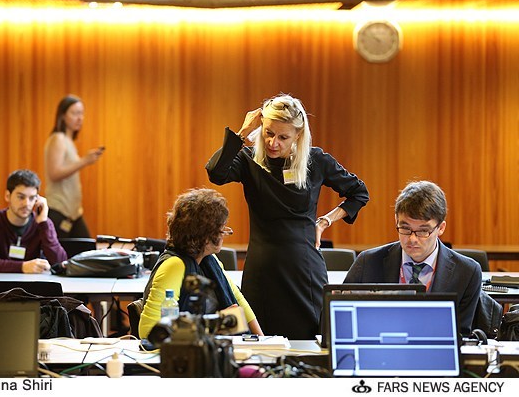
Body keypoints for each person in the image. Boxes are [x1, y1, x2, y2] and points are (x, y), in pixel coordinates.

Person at [206, 94, 369, 339]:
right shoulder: (249, 160)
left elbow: (359, 193)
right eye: (268, 133)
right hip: (262, 268)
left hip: (303, 268)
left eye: (283, 137)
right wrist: (242, 133)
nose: (273, 143)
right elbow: (216, 173)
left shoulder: (316, 160)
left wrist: (325, 221)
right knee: (258, 343)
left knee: (309, 341)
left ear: (298, 136)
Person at [344, 180, 481, 335]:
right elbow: (344, 321)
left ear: (441, 228)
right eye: (405, 228)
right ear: (396, 220)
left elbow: (461, 334)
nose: (412, 239)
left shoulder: (467, 272)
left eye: (423, 231)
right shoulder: (367, 262)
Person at [138, 188, 263, 340]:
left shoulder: (210, 260)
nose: (224, 234)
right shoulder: (174, 265)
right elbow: (149, 331)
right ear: (205, 235)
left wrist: (262, 339)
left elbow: (239, 300)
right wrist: (218, 327)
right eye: (221, 229)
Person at [0, 169, 67, 273]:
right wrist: (22, 267)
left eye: (32, 198)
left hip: (33, 282)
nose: (26, 204)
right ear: (7, 196)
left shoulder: (43, 224)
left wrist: (44, 224)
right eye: (21, 197)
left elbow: (61, 263)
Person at [44, 94, 104, 238]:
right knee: (82, 248)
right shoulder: (58, 139)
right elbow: (54, 173)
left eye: (81, 113)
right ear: (63, 116)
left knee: (86, 248)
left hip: (73, 213)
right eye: (75, 113)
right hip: (58, 210)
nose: (80, 118)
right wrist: (84, 161)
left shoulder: (68, 141)